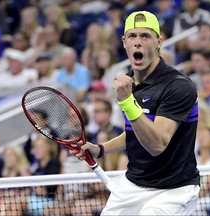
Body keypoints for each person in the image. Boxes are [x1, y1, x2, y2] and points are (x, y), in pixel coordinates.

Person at [72, 11, 200, 215]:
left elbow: (157, 144)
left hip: (173, 190)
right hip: (133, 185)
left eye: (145, 36)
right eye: (132, 36)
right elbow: (134, 133)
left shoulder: (178, 86)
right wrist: (101, 149)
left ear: (159, 41)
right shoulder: (129, 85)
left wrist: (127, 102)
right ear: (124, 42)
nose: (137, 42)